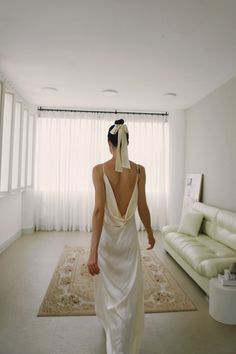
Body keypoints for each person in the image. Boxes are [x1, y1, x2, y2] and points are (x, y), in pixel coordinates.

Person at [87, 118, 156, 354]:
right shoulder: (138, 171)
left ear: (109, 143)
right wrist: (150, 232)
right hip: (128, 243)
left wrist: (93, 250)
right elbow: (143, 208)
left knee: (109, 290)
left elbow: (98, 211)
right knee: (127, 294)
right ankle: (121, 334)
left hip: (107, 243)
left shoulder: (99, 170)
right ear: (128, 143)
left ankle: (114, 339)